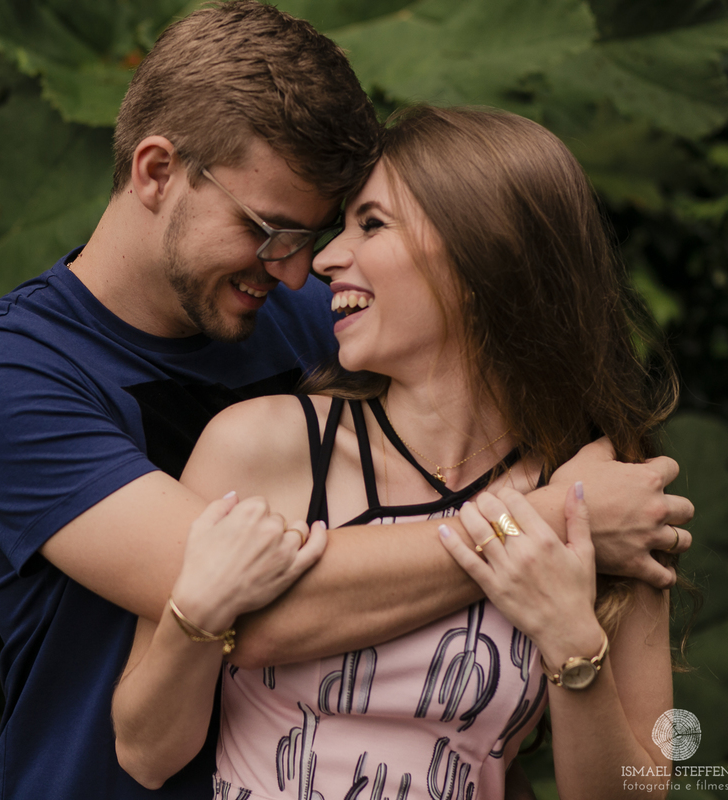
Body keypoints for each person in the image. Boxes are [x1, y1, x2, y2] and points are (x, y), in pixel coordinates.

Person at [0, 4, 692, 799]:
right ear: (156, 172)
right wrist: (540, 526)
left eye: (317, 235)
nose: (302, 273)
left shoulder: (326, 315)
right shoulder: (9, 374)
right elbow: (255, 618)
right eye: (270, 231)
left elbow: (476, 395)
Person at [112, 105, 680, 800]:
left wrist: (570, 643)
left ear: (484, 255)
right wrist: (193, 618)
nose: (322, 259)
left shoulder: (608, 500)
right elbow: (145, 753)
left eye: (371, 224)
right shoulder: (263, 445)